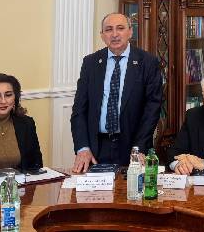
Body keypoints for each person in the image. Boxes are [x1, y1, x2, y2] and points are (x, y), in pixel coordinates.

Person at [70, 13, 163, 170]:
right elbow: (79, 110)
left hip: (133, 146)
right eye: (108, 29)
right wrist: (83, 148)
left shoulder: (147, 62)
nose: (114, 34)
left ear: (130, 32)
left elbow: (152, 110)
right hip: (96, 148)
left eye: (120, 28)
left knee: (130, 186)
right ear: (102, 35)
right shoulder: (91, 63)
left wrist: (139, 147)